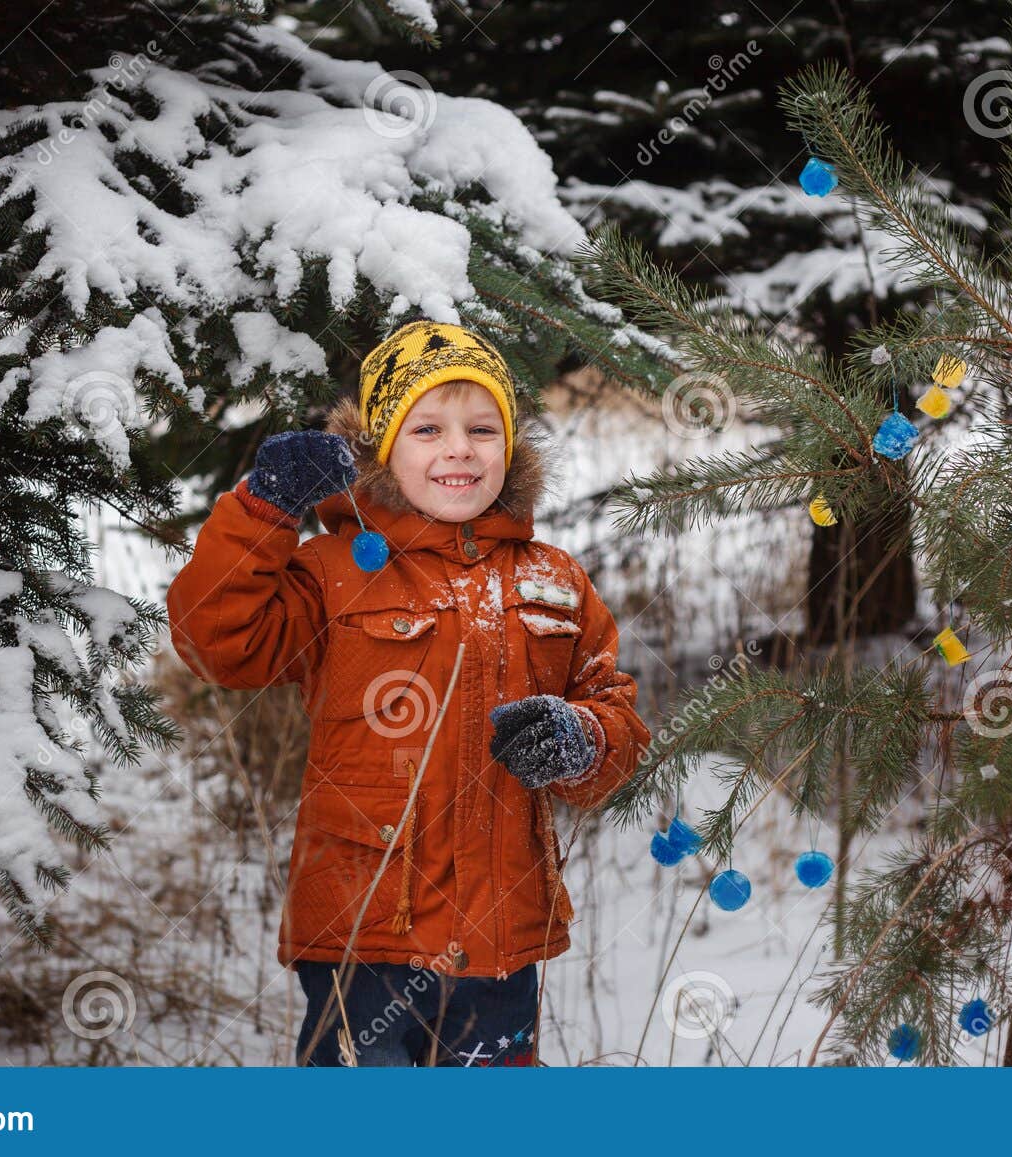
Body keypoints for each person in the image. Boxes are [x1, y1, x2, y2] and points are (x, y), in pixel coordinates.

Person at [165, 320, 651, 1066]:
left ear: (510, 449)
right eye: (428, 427)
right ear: (382, 450)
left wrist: (583, 738)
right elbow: (217, 638)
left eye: (482, 428)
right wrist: (262, 510)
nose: (460, 447)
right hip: (365, 932)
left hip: (500, 936)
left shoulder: (553, 578)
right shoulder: (333, 568)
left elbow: (616, 716)